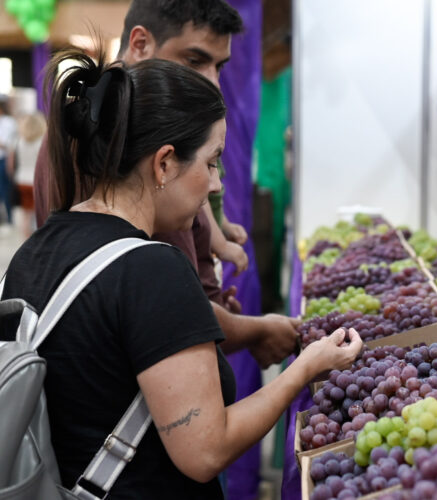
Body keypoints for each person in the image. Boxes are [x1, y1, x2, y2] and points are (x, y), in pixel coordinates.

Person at [1, 50, 363, 499]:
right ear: (164, 163)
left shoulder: (34, 252)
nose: (216, 184)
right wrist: (304, 369)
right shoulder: (151, 268)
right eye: (211, 162)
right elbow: (206, 452)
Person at [31, 0, 298, 369]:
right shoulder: (127, 143)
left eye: (219, 66)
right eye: (194, 61)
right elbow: (170, 304)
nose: (211, 82)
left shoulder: (108, 127)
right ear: (140, 44)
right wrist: (255, 330)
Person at [11, 112, 45, 237]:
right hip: (37, 182)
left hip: (21, 180)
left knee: (25, 216)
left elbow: (12, 164)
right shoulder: (42, 142)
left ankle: (26, 241)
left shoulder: (19, 142)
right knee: (41, 215)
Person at [0, 97, 16, 228]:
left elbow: (8, 144)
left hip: (3, 160)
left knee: (5, 189)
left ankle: (9, 218)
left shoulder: (9, 122)